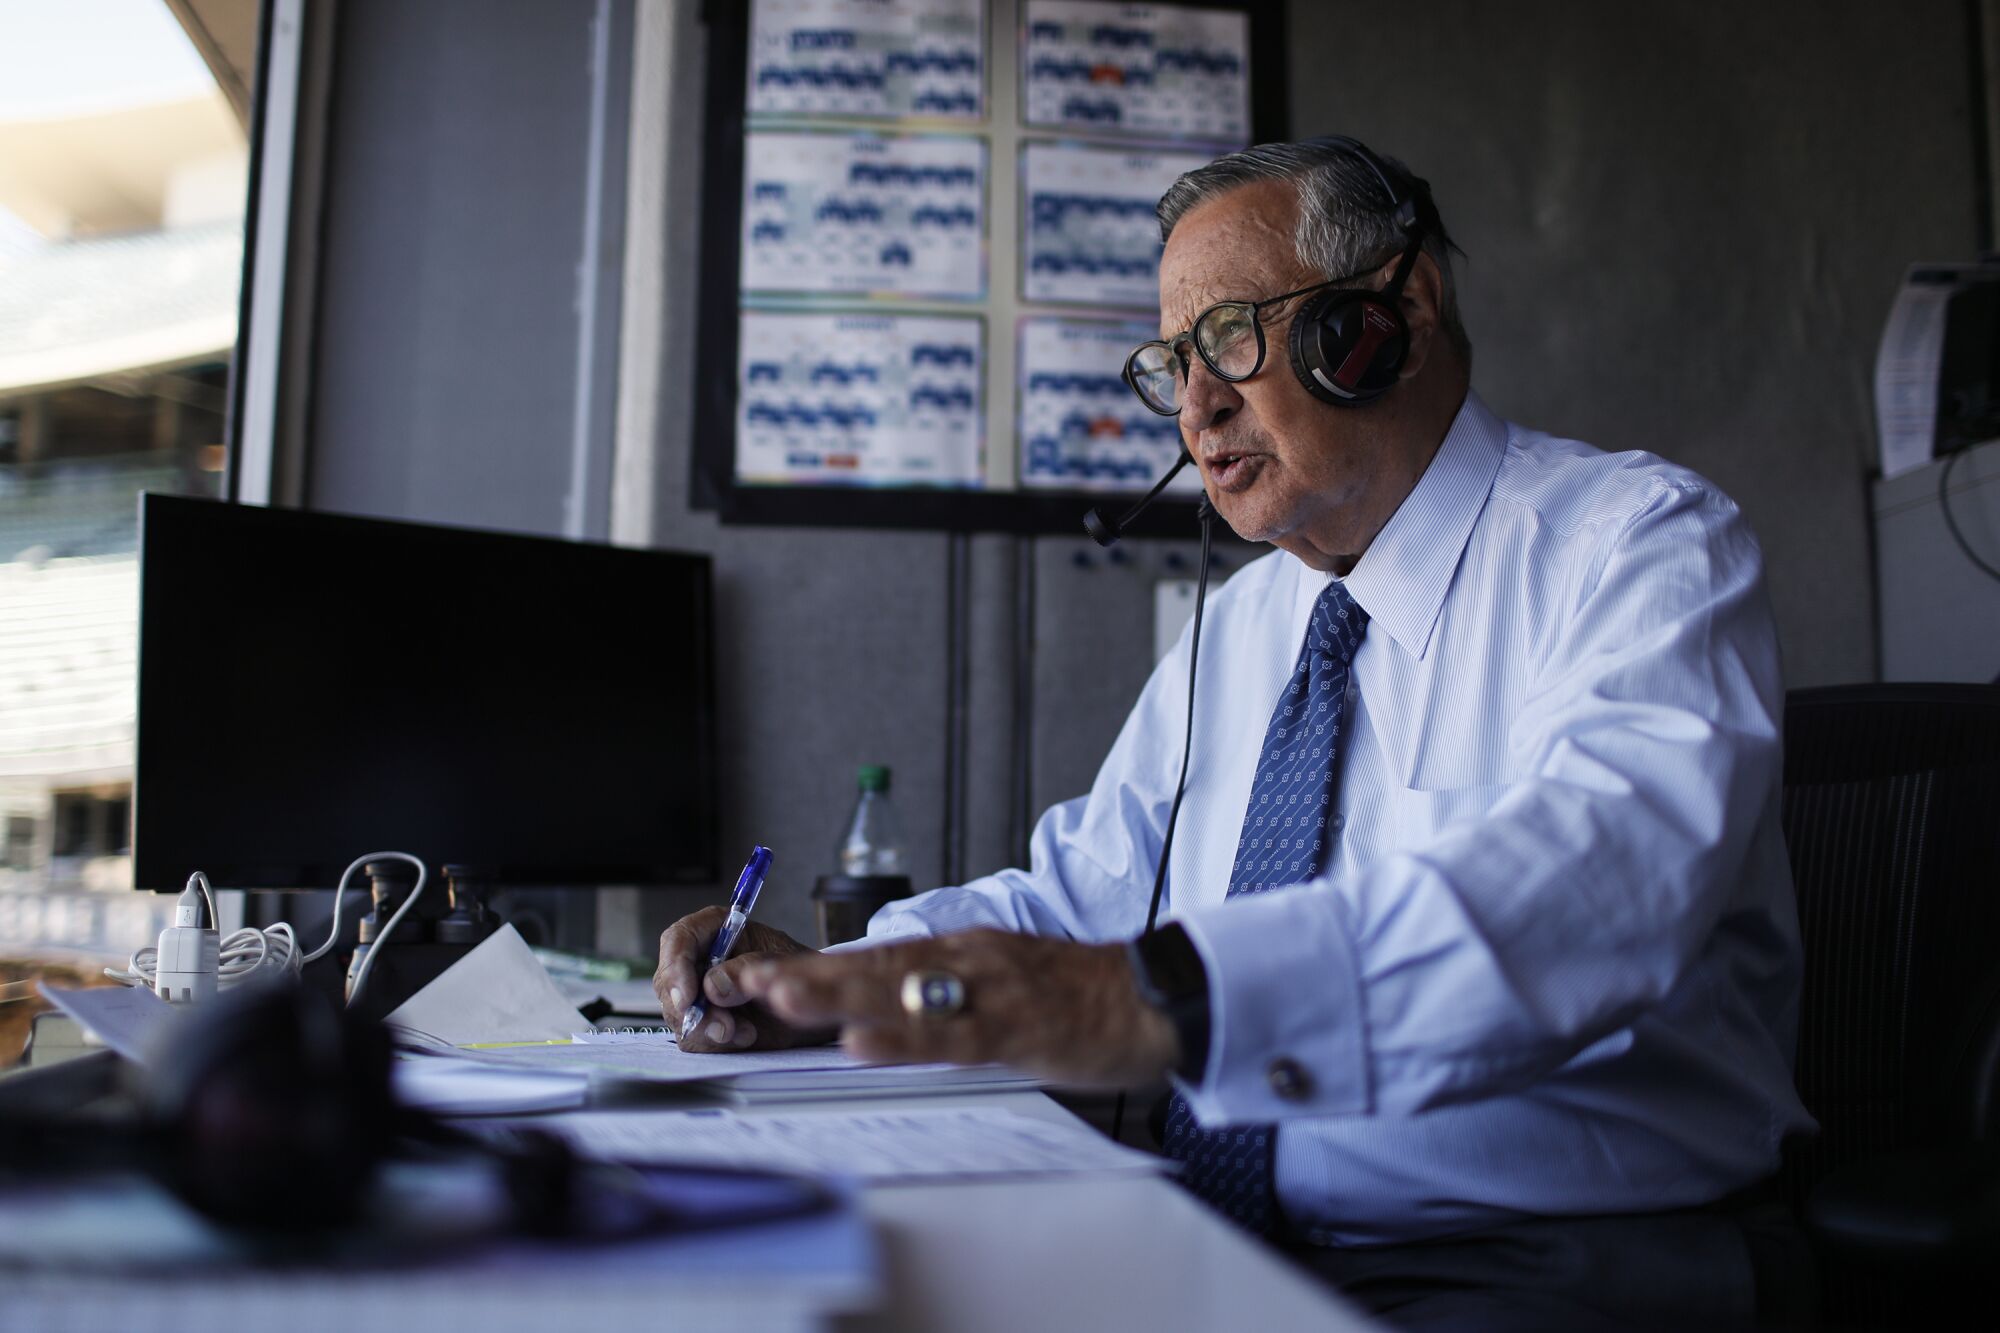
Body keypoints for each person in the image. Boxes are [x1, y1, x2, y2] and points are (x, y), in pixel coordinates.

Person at [655, 137, 1815, 1326]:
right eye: (1171, 363)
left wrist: (1170, 1000)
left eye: (1231, 339)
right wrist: (826, 984)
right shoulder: (1245, 618)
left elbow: (1598, 886)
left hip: (1553, 1256)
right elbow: (1080, 897)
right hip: (1229, 1243)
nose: (1195, 405)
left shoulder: (1637, 546)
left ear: (1389, 319)